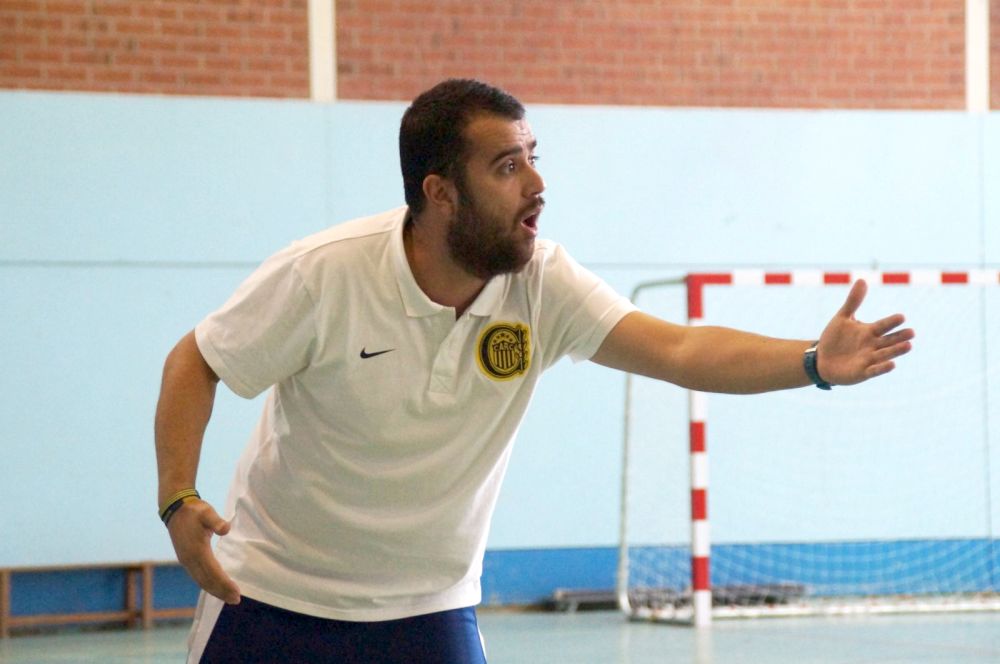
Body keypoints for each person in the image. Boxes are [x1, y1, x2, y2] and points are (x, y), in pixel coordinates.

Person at [154, 78, 914, 663]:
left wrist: (811, 363)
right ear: (440, 192)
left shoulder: (541, 283)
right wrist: (178, 498)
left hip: (429, 610)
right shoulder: (326, 274)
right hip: (272, 599)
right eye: (507, 166)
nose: (536, 185)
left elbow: (679, 349)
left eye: (533, 160)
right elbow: (198, 359)